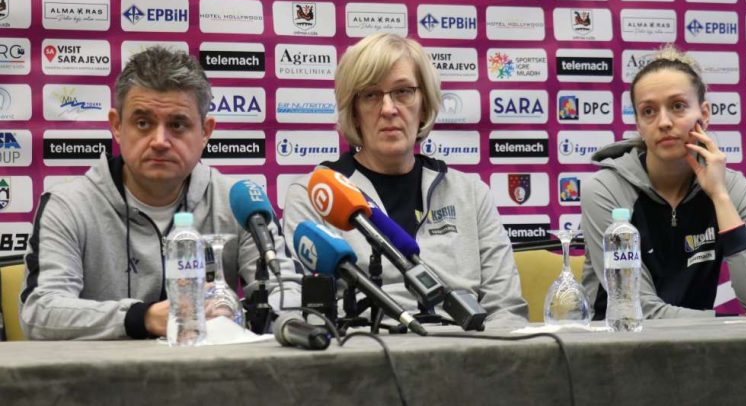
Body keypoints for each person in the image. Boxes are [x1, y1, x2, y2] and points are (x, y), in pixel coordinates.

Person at [19, 47, 299, 340]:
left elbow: (289, 294)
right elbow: (40, 313)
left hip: (213, 367)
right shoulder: (68, 206)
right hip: (102, 369)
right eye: (143, 123)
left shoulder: (238, 203)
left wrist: (240, 312)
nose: (160, 141)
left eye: (177, 125)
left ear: (206, 131)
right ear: (117, 126)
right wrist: (143, 317)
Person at [283, 33, 528, 326]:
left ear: (424, 105)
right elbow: (302, 313)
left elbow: (507, 310)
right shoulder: (314, 194)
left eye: (403, 92)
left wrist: (472, 353)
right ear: (355, 112)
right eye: (371, 95)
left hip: (466, 348)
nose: (388, 109)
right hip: (365, 349)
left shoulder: (471, 194)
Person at [581, 45, 746, 319]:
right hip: (617, 341)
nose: (664, 122)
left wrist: (720, 197)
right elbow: (638, 311)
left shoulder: (737, 191)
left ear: (704, 114)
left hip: (701, 343)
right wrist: (729, 326)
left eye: (678, 106)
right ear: (638, 124)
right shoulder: (604, 190)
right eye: (649, 111)